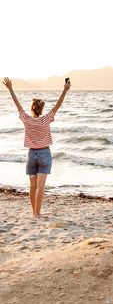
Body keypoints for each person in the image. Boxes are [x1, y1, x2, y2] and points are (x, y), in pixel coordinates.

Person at [2, 77, 71, 218]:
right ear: (42, 109)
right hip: (44, 154)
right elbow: (58, 105)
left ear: (32, 109)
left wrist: (10, 88)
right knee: (40, 186)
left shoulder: (26, 119)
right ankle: (38, 213)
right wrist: (65, 90)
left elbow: (17, 105)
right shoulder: (46, 119)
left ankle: (34, 213)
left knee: (32, 186)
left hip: (31, 155)